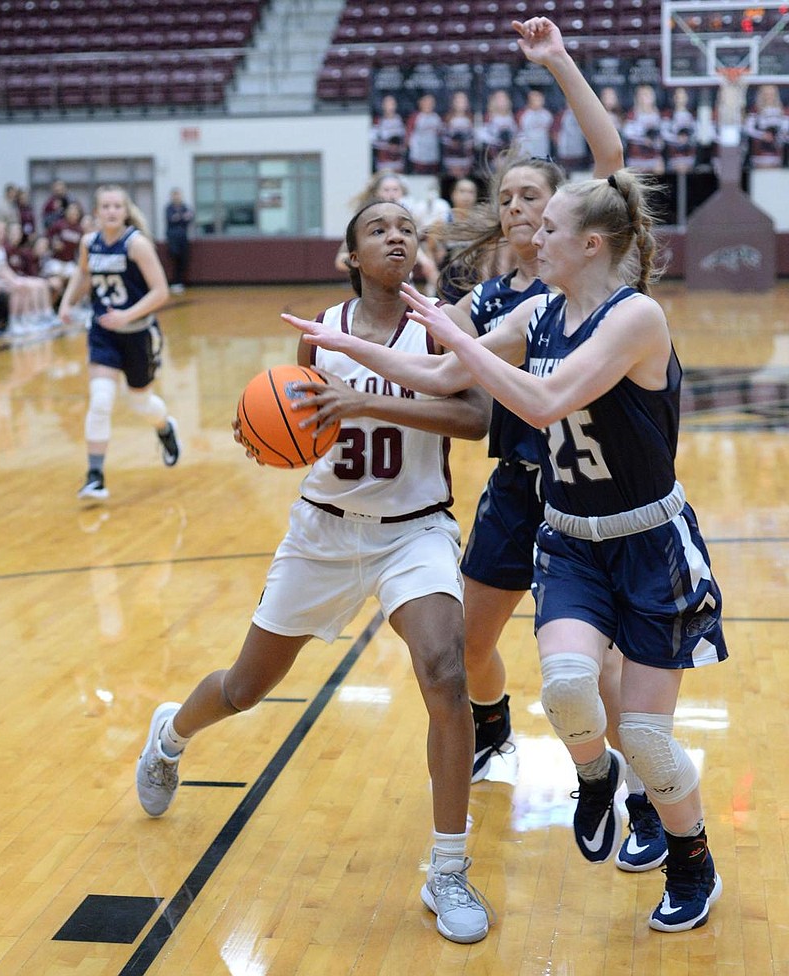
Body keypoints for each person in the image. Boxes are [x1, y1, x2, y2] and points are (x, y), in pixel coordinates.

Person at [293, 167, 728, 934]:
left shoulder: (635, 321)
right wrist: (350, 353)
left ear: (591, 244)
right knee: (564, 689)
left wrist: (462, 335)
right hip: (570, 538)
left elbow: (541, 400)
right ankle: (595, 778)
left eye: (551, 226)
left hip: (647, 539)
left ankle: (691, 858)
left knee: (651, 740)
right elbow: (439, 370)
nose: (534, 234)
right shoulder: (537, 310)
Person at [322, 15, 671, 877]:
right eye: (508, 198)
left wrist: (556, 65)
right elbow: (438, 369)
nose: (518, 210)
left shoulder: (596, 280)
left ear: (563, 213)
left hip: (602, 498)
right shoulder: (489, 300)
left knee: (613, 683)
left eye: (533, 198)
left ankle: (640, 793)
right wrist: (348, 366)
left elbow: (614, 163)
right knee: (470, 641)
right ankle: (494, 725)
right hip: (522, 490)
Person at [136, 198, 494, 945]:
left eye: (404, 227)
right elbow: (291, 422)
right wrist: (261, 435)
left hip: (414, 532)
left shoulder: (438, 327)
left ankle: (449, 868)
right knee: (244, 689)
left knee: (446, 673)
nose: (395, 235)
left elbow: (476, 418)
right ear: (351, 257)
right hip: (322, 534)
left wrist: (371, 401)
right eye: (377, 229)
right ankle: (171, 733)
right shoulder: (319, 335)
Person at [58, 184, 180, 502]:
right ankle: (94, 476)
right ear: (96, 212)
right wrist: (67, 302)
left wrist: (126, 315)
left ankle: (165, 427)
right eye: (105, 206)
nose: (111, 211)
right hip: (103, 333)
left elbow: (160, 292)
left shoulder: (136, 244)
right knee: (101, 400)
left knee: (140, 402)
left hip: (138, 333)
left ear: (125, 211)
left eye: (116, 206)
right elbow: (83, 275)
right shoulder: (89, 243)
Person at [333, 172, 439, 295]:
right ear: (376, 193)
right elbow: (340, 261)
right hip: (374, 289)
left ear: (402, 193)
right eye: (386, 190)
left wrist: (425, 261)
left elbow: (414, 245)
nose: (392, 194)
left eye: (395, 189)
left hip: (404, 286)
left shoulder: (408, 217)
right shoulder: (364, 222)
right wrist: (369, 261)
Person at [164, 188, 194, 294]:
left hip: (183, 238)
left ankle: (180, 283)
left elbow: (189, 218)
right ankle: (174, 283)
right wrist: (180, 218)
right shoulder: (169, 208)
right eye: (175, 195)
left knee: (183, 261)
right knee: (175, 260)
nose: (177, 197)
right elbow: (172, 219)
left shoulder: (185, 207)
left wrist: (179, 218)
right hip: (173, 239)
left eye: (178, 195)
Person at [371, 93, 408, 173]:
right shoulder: (378, 121)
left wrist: (399, 147)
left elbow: (405, 139)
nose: (390, 106)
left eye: (392, 104)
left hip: (398, 162)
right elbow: (373, 142)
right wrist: (387, 146)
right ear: (383, 106)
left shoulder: (400, 120)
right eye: (387, 104)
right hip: (383, 162)